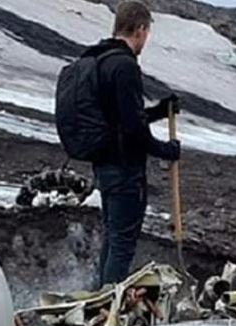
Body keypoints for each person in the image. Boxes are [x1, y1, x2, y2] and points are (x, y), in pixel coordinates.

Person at [80, 1, 182, 288]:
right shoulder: (124, 65)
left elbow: (123, 120)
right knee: (122, 243)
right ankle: (108, 309)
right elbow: (133, 129)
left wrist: (160, 111)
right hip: (126, 171)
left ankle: (100, 298)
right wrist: (165, 150)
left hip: (104, 166)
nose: (145, 40)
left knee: (112, 237)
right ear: (139, 29)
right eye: (146, 33)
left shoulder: (99, 60)